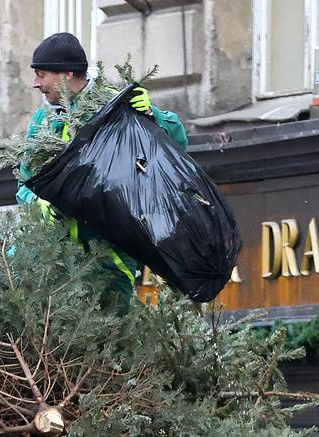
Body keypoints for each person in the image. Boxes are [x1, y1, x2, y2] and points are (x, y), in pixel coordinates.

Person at [16, 31, 189, 298]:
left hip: (108, 259)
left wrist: (150, 115)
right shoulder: (41, 121)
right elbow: (24, 182)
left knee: (106, 333)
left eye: (41, 74)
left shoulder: (112, 104)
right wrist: (36, 202)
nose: (35, 84)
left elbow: (176, 144)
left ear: (66, 74)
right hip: (55, 259)